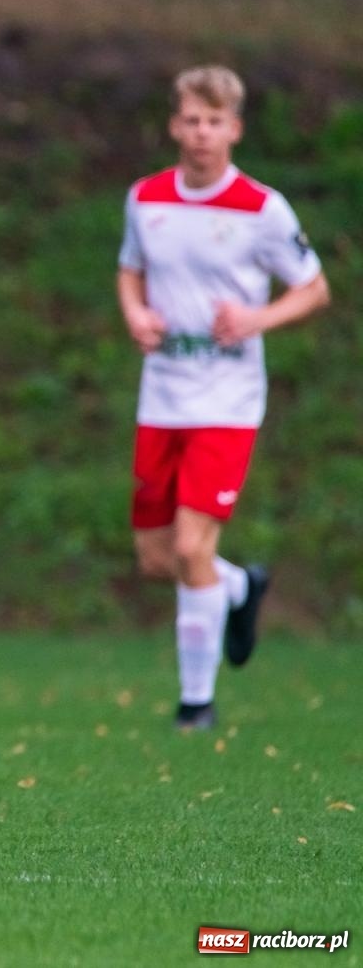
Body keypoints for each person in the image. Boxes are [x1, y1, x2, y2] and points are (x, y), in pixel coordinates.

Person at [116, 64, 328, 731]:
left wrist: (256, 319)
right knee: (156, 558)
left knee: (188, 549)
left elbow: (313, 288)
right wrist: (134, 313)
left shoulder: (262, 209)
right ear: (175, 125)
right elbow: (130, 270)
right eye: (191, 120)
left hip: (228, 400)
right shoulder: (145, 197)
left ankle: (195, 704)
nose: (202, 133)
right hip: (163, 396)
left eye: (215, 122)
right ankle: (238, 586)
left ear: (234, 129)